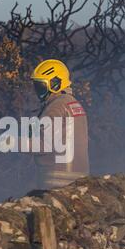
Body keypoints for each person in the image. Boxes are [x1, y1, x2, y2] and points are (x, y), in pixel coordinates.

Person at [29, 59, 90, 189]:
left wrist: (13, 142)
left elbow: (44, 145)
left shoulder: (56, 107)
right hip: (80, 178)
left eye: (41, 87)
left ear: (55, 84)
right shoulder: (73, 104)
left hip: (56, 179)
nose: (37, 91)